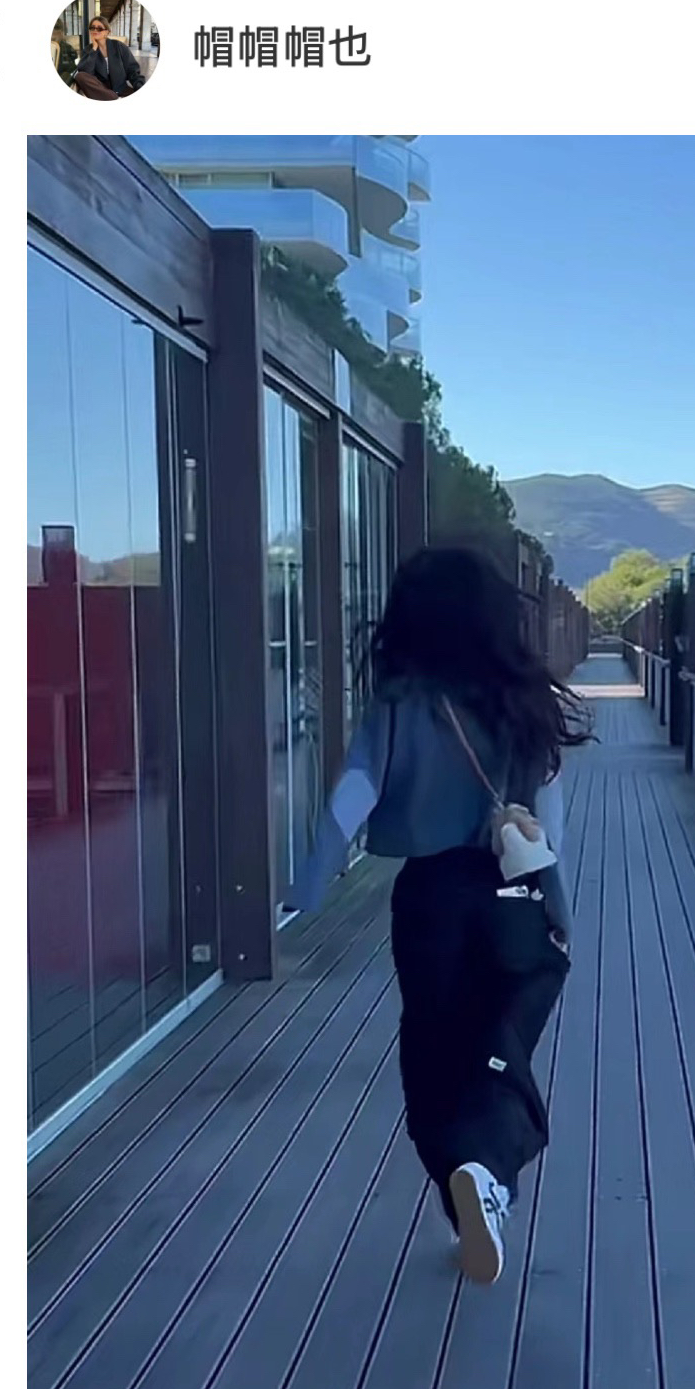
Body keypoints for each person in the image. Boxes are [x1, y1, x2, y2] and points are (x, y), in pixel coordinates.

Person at [291, 545, 592, 1286]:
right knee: (499, 1048)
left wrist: (311, 880)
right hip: (514, 897)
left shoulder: (400, 699)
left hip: (431, 897)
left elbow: (355, 790)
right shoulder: (521, 698)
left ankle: (471, 1191)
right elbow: (548, 821)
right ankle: (488, 1178)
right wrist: (557, 909)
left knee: (431, 1053)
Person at [72, 14, 144, 100]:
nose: (95, 30)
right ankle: (114, 98)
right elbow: (87, 73)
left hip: (121, 89)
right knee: (80, 76)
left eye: (99, 28)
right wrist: (94, 49)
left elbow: (132, 70)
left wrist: (139, 87)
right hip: (101, 90)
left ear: (107, 32)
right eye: (92, 28)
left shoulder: (119, 46)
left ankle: (113, 98)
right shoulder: (88, 50)